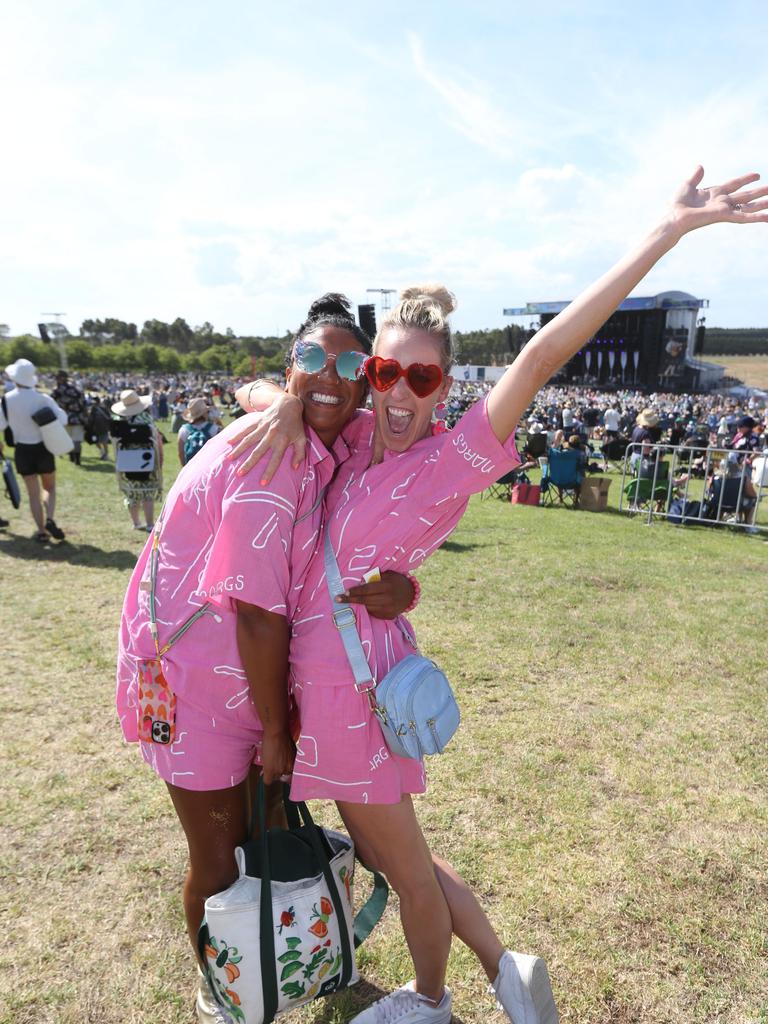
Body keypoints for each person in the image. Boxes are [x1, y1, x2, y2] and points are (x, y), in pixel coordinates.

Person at [233, 166, 767, 1024]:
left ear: (447, 383)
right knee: (396, 853)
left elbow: (543, 352)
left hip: (352, 692)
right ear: (370, 371)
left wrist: (663, 236)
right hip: (325, 683)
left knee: (402, 868)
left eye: (423, 379)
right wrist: (277, 405)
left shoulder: (452, 458)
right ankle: (504, 966)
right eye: (386, 371)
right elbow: (267, 389)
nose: (400, 393)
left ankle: (432, 1000)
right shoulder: (358, 427)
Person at [116, 298, 415, 1024]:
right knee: (219, 859)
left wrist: (402, 587)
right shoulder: (274, 451)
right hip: (193, 687)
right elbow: (254, 609)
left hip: (239, 684)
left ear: (369, 378)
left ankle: (268, 970)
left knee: (264, 837)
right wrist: (279, 731)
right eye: (312, 359)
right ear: (289, 370)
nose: (329, 376)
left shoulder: (321, 441)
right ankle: (219, 993)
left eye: (351, 364)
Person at [0, 358, 67, 542]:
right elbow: (63, 419)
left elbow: (1, 424)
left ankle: (41, 531)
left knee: (33, 494)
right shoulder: (43, 399)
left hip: (22, 450)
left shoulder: (6, 400)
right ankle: (50, 519)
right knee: (50, 487)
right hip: (43, 448)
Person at [110, 389, 164, 532]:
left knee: (132, 494)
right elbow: (157, 440)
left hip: (126, 461)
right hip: (148, 460)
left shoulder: (119, 422)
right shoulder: (147, 420)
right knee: (147, 494)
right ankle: (150, 523)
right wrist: (160, 460)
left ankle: (136, 522)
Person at [51, 370, 87, 465]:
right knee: (77, 439)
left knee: (68, 439)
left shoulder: (57, 390)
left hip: (64, 418)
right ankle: (77, 460)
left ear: (61, 378)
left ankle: (72, 457)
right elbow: (84, 402)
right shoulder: (76, 388)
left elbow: (51, 402)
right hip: (78, 418)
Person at [177, 397, 219, 466]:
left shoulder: (183, 430)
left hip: (191, 468)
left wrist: (184, 467)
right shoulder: (214, 429)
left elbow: (181, 453)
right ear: (204, 413)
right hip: (209, 467)